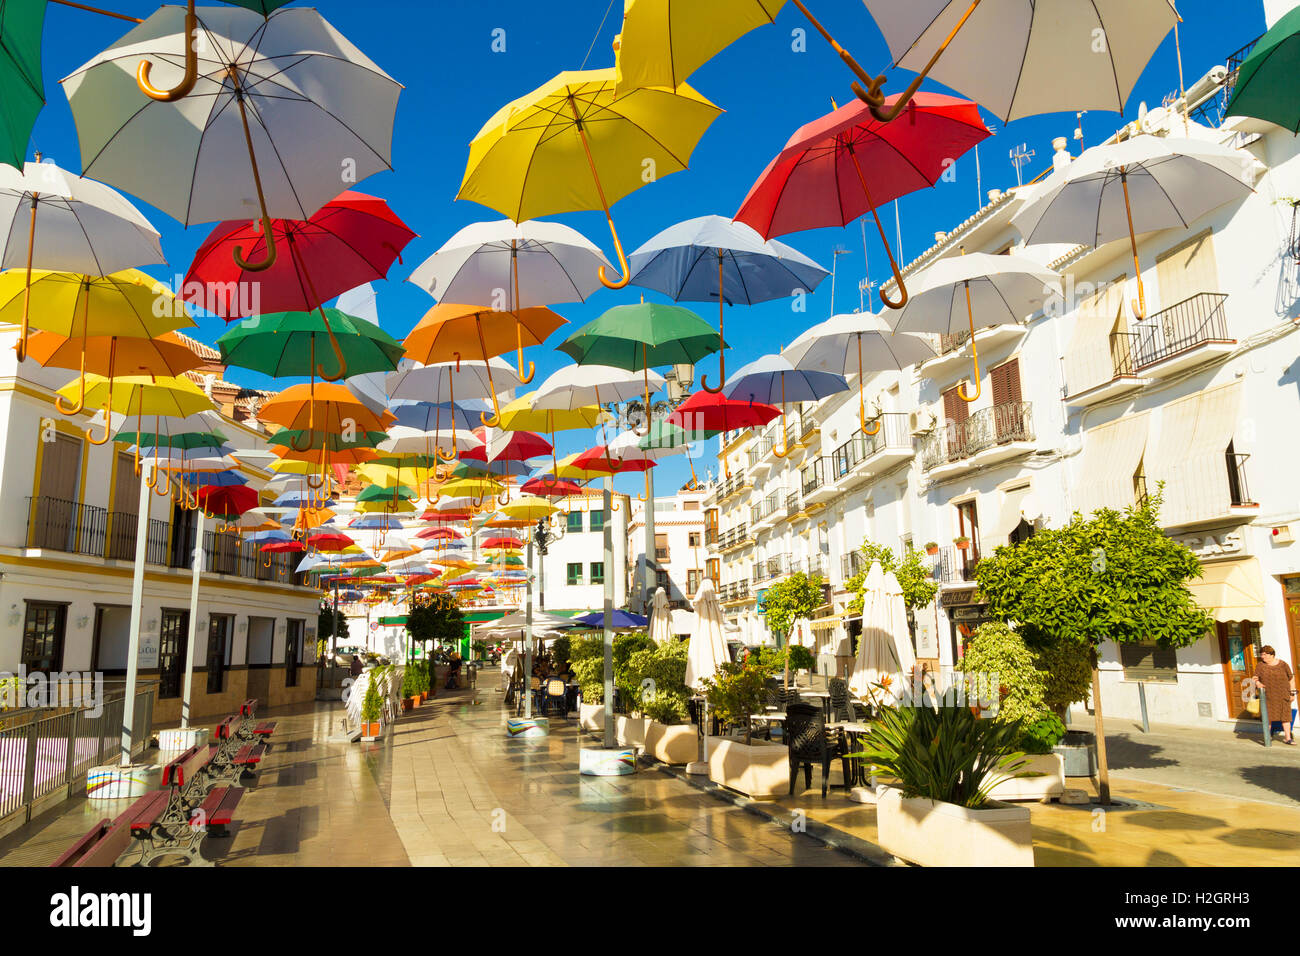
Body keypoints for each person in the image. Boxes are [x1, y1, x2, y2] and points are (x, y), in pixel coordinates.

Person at [1253, 646, 1296, 745]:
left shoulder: (1283, 664)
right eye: (1261, 654)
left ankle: (1288, 738)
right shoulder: (1260, 665)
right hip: (1268, 696)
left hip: (1283, 695)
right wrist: (1258, 683)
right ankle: (1267, 737)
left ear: (1272, 655)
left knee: (1286, 717)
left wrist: (1292, 693)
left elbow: (1291, 679)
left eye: (1264, 654)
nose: (1262, 656)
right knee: (1268, 717)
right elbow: (1255, 677)